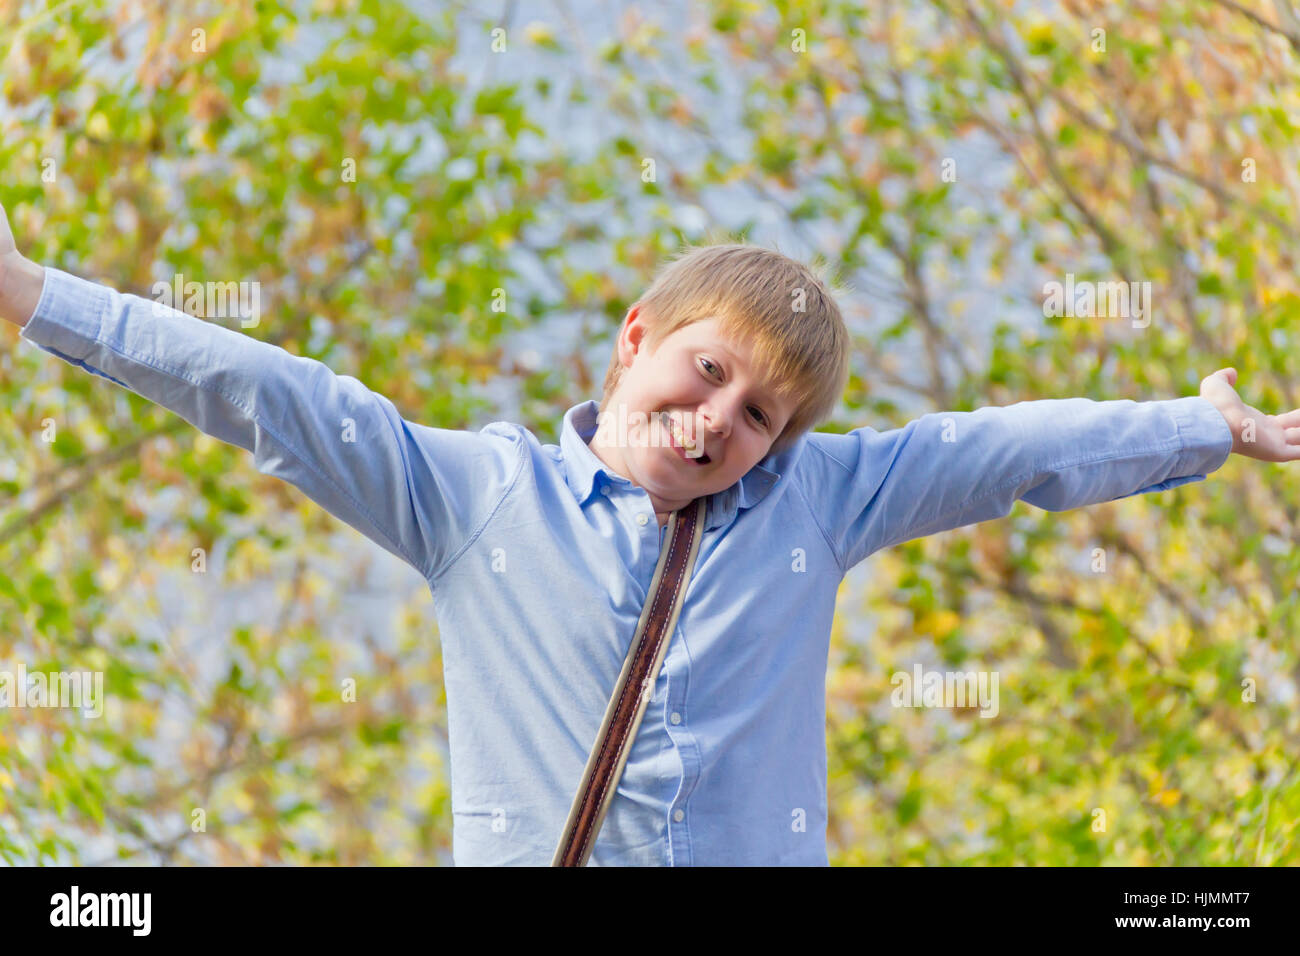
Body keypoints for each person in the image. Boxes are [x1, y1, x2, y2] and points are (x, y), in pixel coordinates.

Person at [2, 204, 1296, 865]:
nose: (718, 422)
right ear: (637, 339)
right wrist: (28, 295)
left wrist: (1197, 423)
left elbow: (1007, 451)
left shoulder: (816, 504)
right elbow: (263, 391)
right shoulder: (472, 498)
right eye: (706, 372)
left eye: (759, 415)